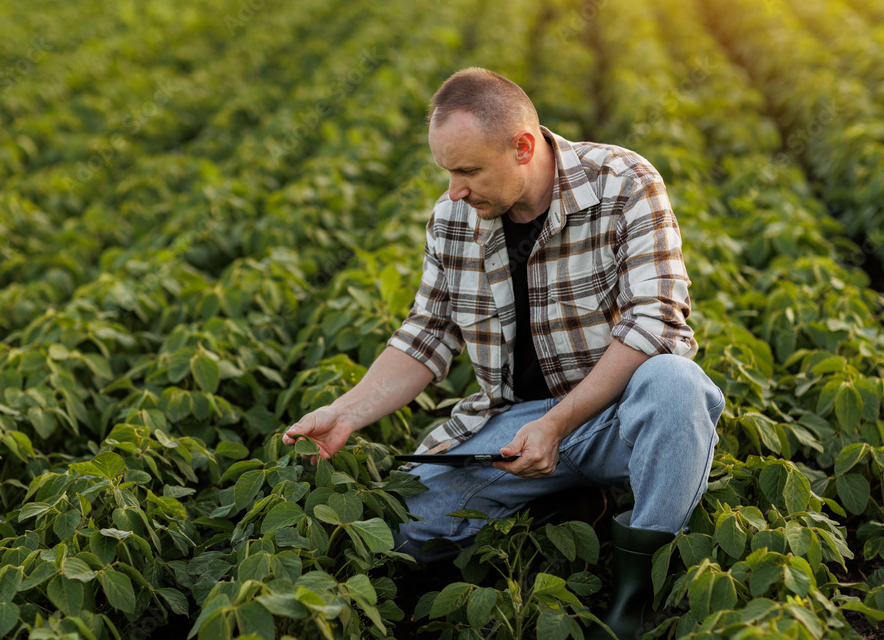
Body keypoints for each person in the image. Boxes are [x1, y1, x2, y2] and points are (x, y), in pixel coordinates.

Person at [282, 67, 725, 639]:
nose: (454, 191)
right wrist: (344, 413)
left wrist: (558, 422)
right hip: (512, 426)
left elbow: (656, 323)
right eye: (446, 171)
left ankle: (636, 593)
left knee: (676, 383)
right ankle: (568, 501)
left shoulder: (623, 183)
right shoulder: (453, 218)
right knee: (403, 534)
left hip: (616, 416)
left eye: (467, 170)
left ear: (522, 146)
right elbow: (427, 333)